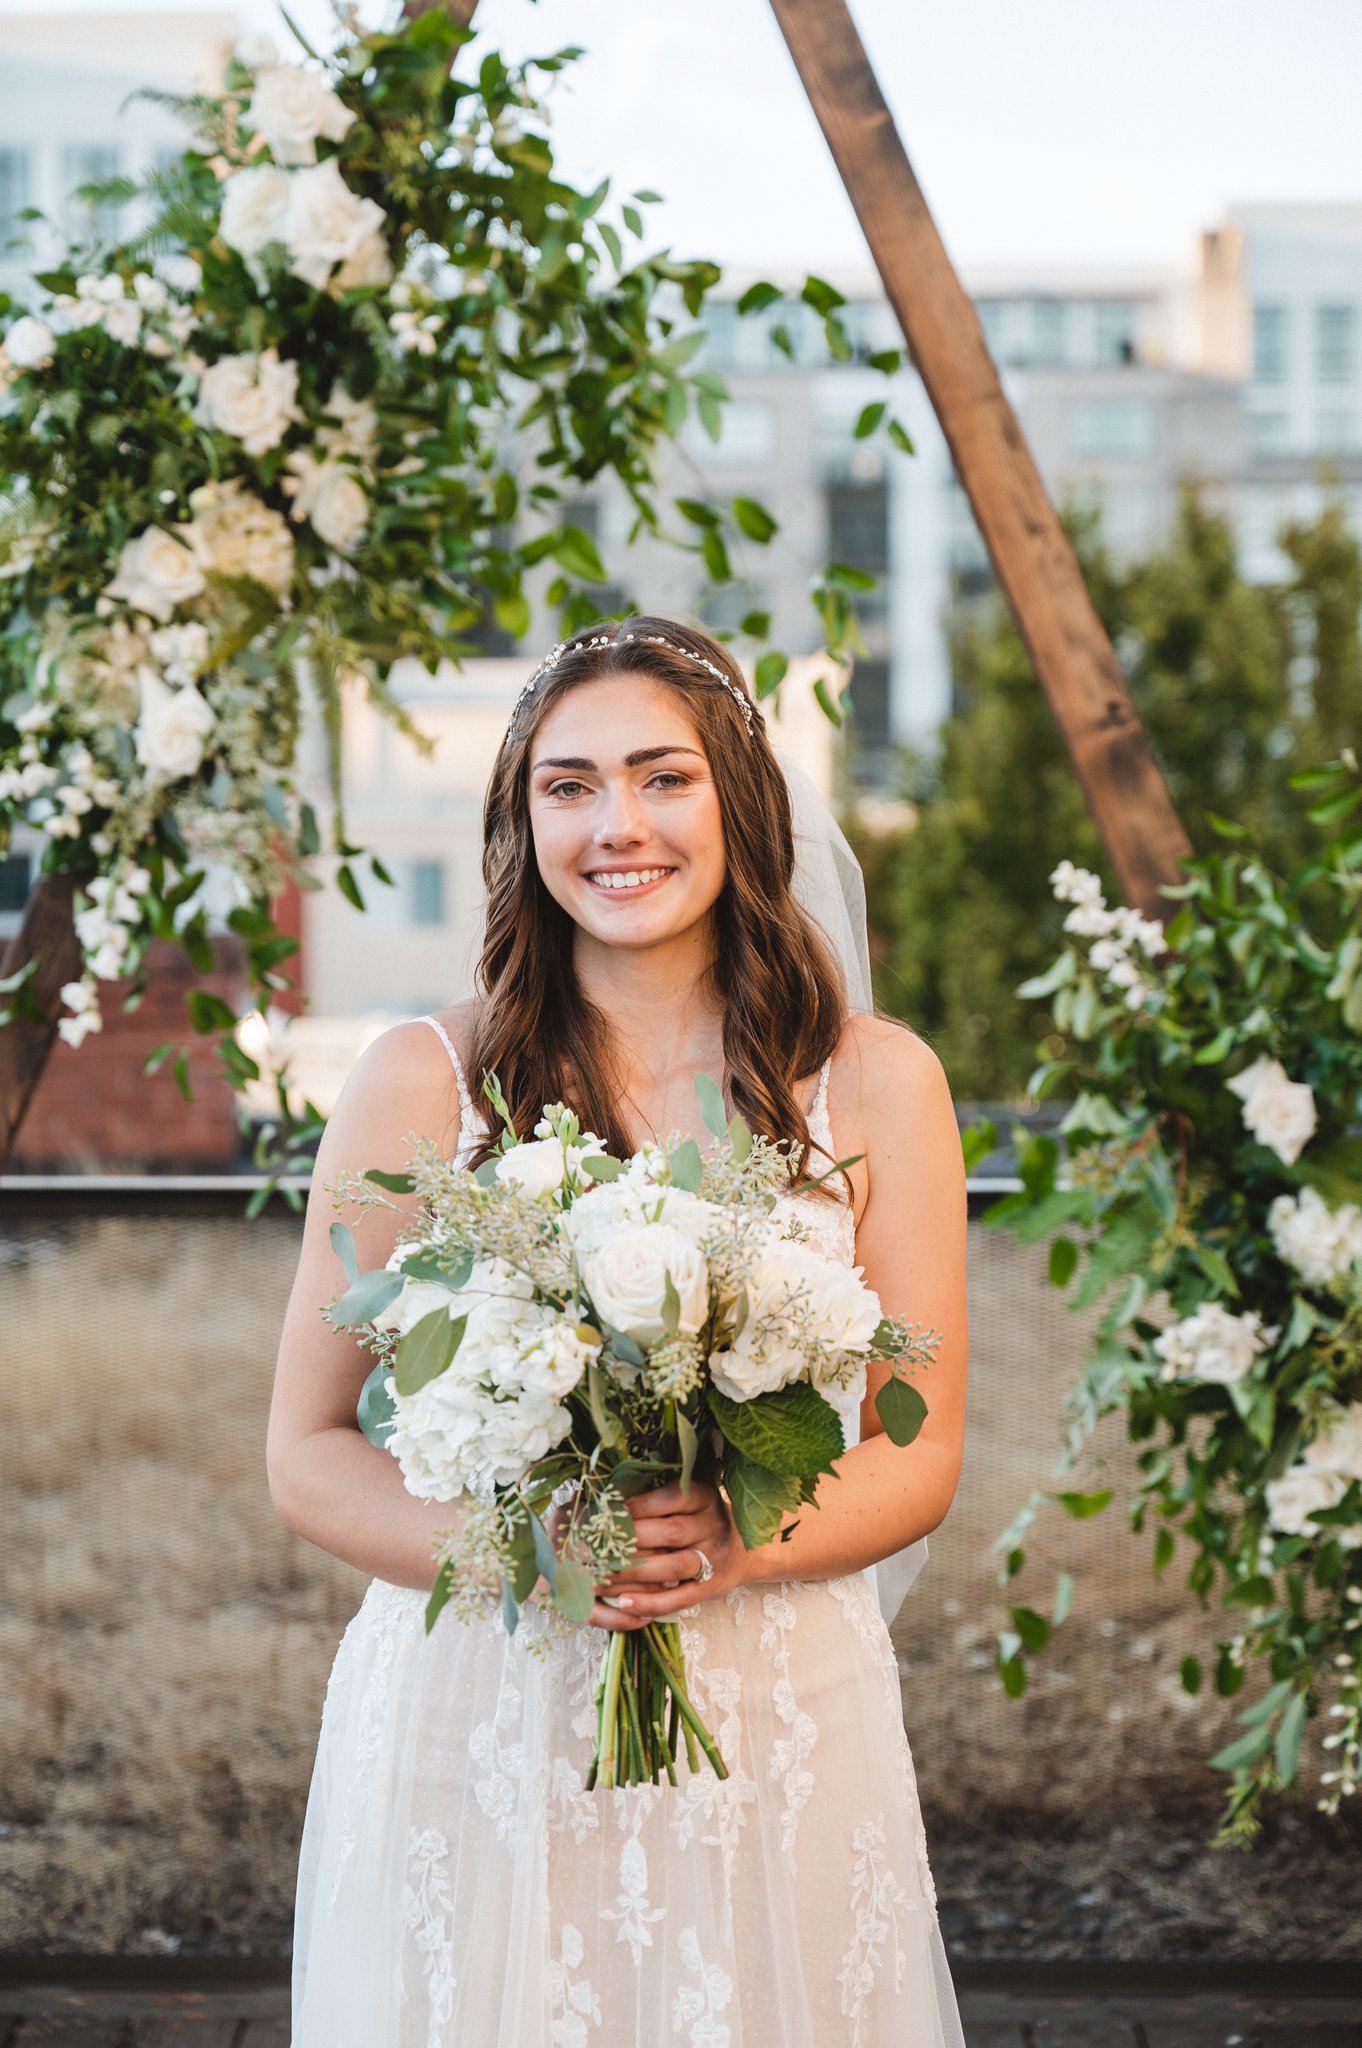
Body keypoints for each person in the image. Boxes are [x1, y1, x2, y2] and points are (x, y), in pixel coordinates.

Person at [269, 616, 969, 2047]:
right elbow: (304, 1448)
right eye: (567, 786)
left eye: (662, 778)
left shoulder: (877, 1086)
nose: (616, 825)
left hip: (774, 1699)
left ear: (740, 805)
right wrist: (518, 1551)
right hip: (479, 1711)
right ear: (522, 825)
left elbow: (921, 1451)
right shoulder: (422, 1083)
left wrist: (723, 1543)